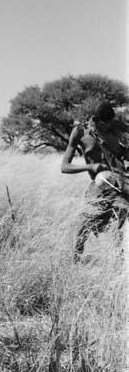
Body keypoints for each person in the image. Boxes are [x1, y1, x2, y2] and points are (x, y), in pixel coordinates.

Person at [61, 100, 129, 261]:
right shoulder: (80, 132)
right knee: (84, 225)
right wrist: (90, 167)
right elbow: (64, 167)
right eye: (104, 123)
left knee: (117, 225)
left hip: (121, 184)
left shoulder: (115, 130)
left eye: (110, 123)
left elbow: (123, 153)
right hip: (99, 186)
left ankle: (117, 264)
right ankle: (75, 261)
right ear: (95, 119)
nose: (107, 126)